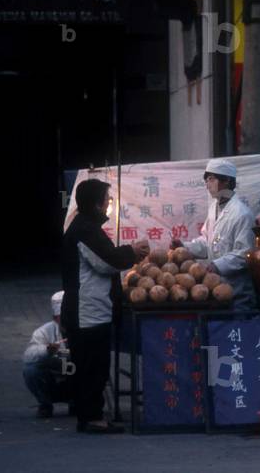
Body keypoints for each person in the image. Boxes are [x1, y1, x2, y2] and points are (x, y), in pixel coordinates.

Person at [61, 179, 149, 434]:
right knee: (92, 364)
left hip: (90, 307)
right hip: (87, 309)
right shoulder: (85, 230)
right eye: (107, 200)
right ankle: (91, 417)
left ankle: (87, 411)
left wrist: (129, 252)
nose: (109, 205)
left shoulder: (85, 227)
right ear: (96, 203)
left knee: (90, 363)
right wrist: (132, 251)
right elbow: (106, 261)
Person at [172, 158, 257, 311]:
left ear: (226, 181)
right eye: (206, 180)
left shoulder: (242, 214)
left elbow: (245, 254)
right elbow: (208, 241)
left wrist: (217, 265)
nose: (207, 184)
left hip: (237, 293)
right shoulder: (214, 209)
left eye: (211, 179)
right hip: (215, 290)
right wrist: (185, 246)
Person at [23, 291, 73, 418]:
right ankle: (45, 403)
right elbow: (28, 356)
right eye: (61, 318)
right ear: (55, 319)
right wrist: (46, 350)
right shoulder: (44, 331)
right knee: (30, 370)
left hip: (76, 375)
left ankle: (78, 402)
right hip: (55, 377)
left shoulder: (84, 329)